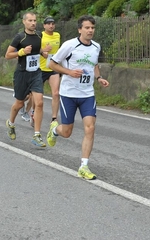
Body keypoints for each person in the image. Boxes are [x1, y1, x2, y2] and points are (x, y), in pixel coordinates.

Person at [46, 15, 110, 180]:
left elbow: (94, 64)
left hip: (87, 94)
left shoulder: (96, 46)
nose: (90, 30)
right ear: (79, 29)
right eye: (87, 27)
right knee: (66, 132)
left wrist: (98, 78)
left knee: (90, 128)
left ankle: (84, 165)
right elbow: (51, 64)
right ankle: (54, 130)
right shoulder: (69, 45)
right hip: (68, 94)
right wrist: (69, 72)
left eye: (92, 28)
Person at [4, 12, 51, 147]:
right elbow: (7, 55)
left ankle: (37, 135)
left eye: (35, 20)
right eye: (30, 20)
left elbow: (37, 49)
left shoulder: (39, 35)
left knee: (40, 102)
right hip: (22, 74)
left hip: (36, 73)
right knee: (19, 104)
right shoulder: (19, 37)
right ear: (24, 22)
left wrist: (43, 52)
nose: (33, 23)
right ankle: (11, 123)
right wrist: (21, 52)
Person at [26, 16, 61, 126]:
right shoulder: (39, 35)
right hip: (40, 69)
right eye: (48, 24)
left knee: (56, 93)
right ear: (44, 25)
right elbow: (34, 48)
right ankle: (33, 112)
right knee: (37, 96)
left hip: (53, 68)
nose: (51, 26)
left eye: (53, 23)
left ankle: (54, 118)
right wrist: (42, 52)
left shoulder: (57, 35)